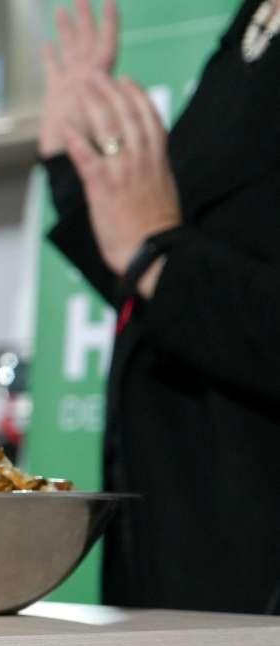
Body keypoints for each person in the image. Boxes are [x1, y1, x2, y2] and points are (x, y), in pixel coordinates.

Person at [42, 0, 280, 614]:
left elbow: (164, 256)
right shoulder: (252, 29)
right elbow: (163, 280)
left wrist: (157, 254)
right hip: (176, 539)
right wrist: (71, 166)